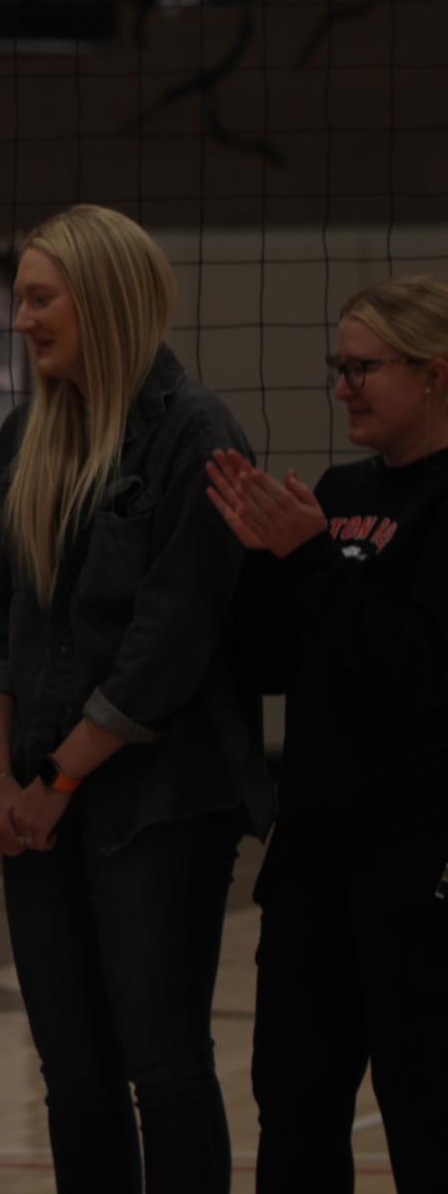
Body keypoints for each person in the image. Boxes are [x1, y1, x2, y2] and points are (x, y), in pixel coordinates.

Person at [0, 204, 273, 1194]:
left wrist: (56, 777)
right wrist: (3, 778)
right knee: (73, 1075)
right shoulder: (24, 435)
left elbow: (168, 642)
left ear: (102, 298)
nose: (22, 318)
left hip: (160, 801)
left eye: (40, 296)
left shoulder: (194, 430)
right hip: (40, 799)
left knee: (165, 1064)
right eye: (20, 297)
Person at [204, 276, 448, 1193]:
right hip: (313, 860)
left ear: (433, 375)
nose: (342, 386)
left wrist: (308, 557)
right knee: (293, 1103)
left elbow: (420, 667)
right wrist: (266, 558)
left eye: (362, 368)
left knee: (425, 1104)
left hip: (417, 864)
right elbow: (268, 664)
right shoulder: (342, 491)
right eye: (336, 368)